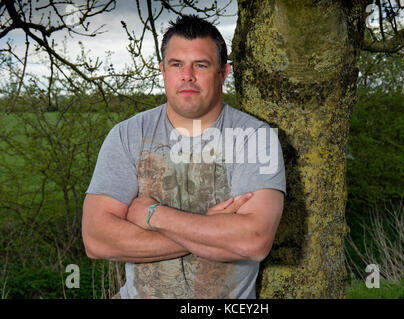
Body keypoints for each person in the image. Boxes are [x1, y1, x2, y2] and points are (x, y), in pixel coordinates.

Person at [82, 14, 286, 299]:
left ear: (224, 73)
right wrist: (209, 227)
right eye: (176, 64)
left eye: (201, 65)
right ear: (163, 70)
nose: (187, 75)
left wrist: (153, 215)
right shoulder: (126, 135)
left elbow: (253, 241)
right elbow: (97, 239)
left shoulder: (256, 138)